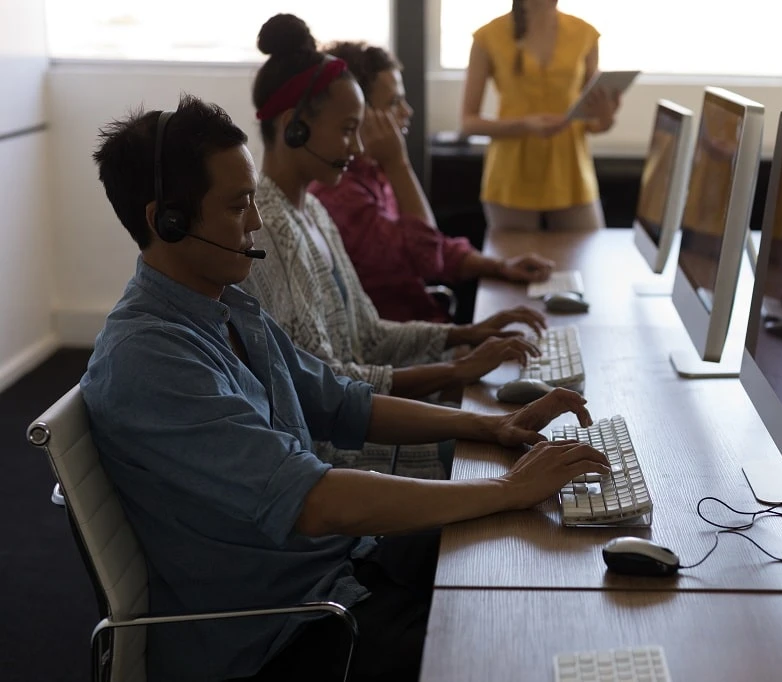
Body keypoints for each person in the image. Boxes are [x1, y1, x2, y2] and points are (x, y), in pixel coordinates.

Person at [83, 92, 608, 682]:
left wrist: (487, 426)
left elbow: (341, 402)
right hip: (285, 630)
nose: (255, 222)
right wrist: (509, 487)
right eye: (236, 207)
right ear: (167, 222)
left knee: (530, 556)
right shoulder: (151, 360)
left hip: (343, 568)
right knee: (505, 642)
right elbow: (316, 502)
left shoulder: (226, 307)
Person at [243, 15, 547, 476]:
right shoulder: (267, 230)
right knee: (504, 456)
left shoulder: (313, 213)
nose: (356, 143)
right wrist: (455, 370)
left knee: (517, 440)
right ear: (295, 127)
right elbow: (329, 385)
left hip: (364, 420)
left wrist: (468, 335)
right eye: (347, 129)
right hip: (332, 456)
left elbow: (367, 335)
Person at [309, 41, 555, 323]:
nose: (407, 111)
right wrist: (398, 164)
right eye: (393, 103)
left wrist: (501, 266)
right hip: (404, 347)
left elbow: (436, 247)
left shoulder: (371, 172)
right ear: (357, 113)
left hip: (427, 329)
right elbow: (426, 257)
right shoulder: (341, 195)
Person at [461, 0, 619, 231]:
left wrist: (606, 117)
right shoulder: (488, 36)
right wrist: (524, 125)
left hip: (571, 171)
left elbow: (593, 122)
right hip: (511, 175)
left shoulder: (585, 34)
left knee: (586, 256)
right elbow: (468, 123)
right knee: (515, 262)